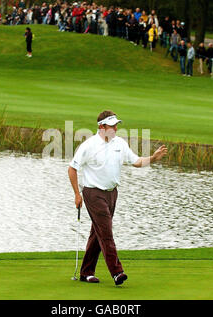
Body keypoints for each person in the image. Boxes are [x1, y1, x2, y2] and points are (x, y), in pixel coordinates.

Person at [68, 111, 168, 286]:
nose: (115, 128)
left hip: (112, 193)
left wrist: (152, 158)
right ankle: (117, 272)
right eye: (112, 125)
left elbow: (136, 161)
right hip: (93, 193)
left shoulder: (119, 143)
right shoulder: (89, 145)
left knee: (98, 233)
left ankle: (86, 272)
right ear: (101, 127)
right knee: (106, 232)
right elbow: (72, 168)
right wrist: (77, 194)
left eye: (116, 125)